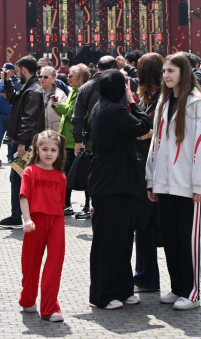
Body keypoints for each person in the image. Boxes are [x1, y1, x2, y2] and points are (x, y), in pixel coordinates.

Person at [146, 52, 201, 311]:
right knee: (171, 238)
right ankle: (177, 288)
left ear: (183, 72)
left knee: (189, 241)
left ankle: (192, 293)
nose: (166, 75)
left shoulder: (196, 103)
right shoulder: (164, 103)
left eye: (171, 70)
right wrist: (152, 179)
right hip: (165, 184)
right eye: (164, 71)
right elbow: (156, 144)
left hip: (188, 186)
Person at [89, 70, 151, 310]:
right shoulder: (113, 110)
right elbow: (143, 126)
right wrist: (132, 101)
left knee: (123, 239)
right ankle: (103, 295)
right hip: (111, 183)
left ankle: (123, 290)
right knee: (108, 242)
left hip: (116, 182)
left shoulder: (103, 106)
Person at [19, 130, 68, 322]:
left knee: (55, 263)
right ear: (37, 149)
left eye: (53, 150)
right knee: (31, 263)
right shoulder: (29, 171)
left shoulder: (61, 177)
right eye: (45, 149)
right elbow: (24, 196)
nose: (49, 153)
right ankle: (28, 299)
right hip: (35, 222)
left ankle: (50, 308)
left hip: (57, 221)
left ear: (59, 152)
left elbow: (60, 202)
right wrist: (27, 219)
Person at [0, 56, 46, 229]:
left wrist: (22, 143)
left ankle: (18, 216)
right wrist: (7, 81)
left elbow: (29, 119)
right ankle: (19, 215)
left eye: (18, 71)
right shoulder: (29, 88)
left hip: (28, 143)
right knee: (20, 177)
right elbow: (13, 100)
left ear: (24, 69)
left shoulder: (33, 90)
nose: (17, 74)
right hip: (27, 142)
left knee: (19, 177)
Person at [71, 55, 119, 219]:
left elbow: (77, 117)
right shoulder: (120, 84)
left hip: (92, 139)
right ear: (115, 68)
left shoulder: (86, 87)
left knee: (92, 174)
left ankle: (92, 207)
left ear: (97, 67)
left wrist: (78, 141)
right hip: (116, 138)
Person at [134, 52, 164, 294]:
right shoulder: (149, 97)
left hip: (155, 167)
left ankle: (147, 277)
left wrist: (147, 132)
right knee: (144, 225)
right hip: (146, 165)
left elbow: (153, 129)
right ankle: (144, 275)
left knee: (147, 224)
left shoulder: (163, 98)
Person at [52, 63, 91, 215]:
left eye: (71, 75)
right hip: (67, 139)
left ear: (81, 78)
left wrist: (60, 106)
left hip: (77, 141)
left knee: (83, 173)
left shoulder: (83, 92)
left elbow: (75, 113)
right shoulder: (73, 91)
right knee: (66, 173)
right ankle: (66, 204)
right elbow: (67, 113)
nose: (68, 78)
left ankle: (87, 205)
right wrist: (58, 106)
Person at [0, 63, 22, 164]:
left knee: (11, 138)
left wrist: (8, 95)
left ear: (12, 71)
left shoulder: (18, 82)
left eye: (5, 71)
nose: (3, 72)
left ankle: (10, 157)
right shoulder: (1, 81)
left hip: (11, 114)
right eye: (2, 71)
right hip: (0, 114)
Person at [39, 66, 67, 134]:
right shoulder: (35, 93)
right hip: (40, 134)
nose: (42, 79)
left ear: (54, 78)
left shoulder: (60, 94)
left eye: (45, 77)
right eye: (40, 76)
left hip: (56, 133)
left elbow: (66, 113)